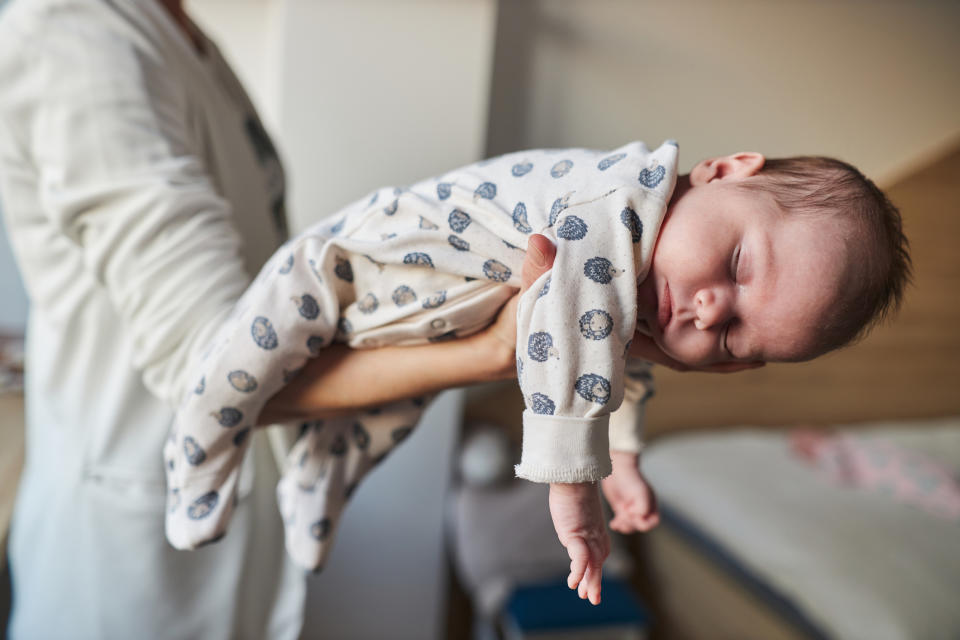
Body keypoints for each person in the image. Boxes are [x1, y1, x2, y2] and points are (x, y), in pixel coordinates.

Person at [0, 0, 553, 637]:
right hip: (129, 569)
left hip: (245, 516)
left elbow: (267, 311)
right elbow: (218, 369)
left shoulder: (184, 38)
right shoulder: (74, 37)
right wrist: (487, 350)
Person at [163, 138, 911, 605]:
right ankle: (198, 455)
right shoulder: (613, 206)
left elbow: (614, 368)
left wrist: (622, 456)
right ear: (721, 172)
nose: (713, 312)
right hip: (340, 271)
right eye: (741, 265)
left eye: (740, 340)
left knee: (382, 420)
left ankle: (315, 482)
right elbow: (573, 338)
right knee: (235, 370)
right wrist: (573, 486)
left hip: (415, 326)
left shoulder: (635, 299)